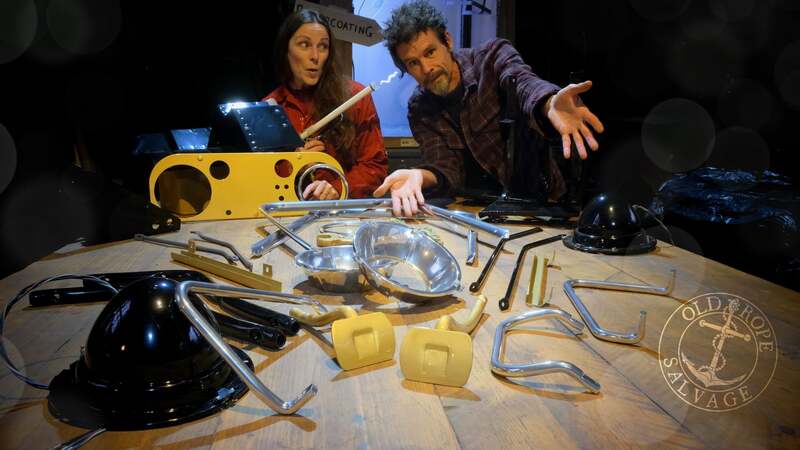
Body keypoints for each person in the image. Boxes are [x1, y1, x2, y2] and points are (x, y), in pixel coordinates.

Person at [373, 0, 604, 216]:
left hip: (545, 202)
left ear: (448, 40)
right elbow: (445, 167)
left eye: (430, 52)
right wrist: (418, 175)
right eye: (413, 63)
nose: (426, 68)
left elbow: (522, 82)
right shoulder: (419, 108)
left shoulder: (491, 58)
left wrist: (549, 103)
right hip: (479, 211)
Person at [264, 9, 388, 199]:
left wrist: (337, 188)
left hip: (346, 215)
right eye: (304, 45)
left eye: (323, 46)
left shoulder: (355, 97)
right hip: (289, 212)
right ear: (285, 49)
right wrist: (294, 164)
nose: (315, 56)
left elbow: (375, 166)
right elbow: (263, 179)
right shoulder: (269, 108)